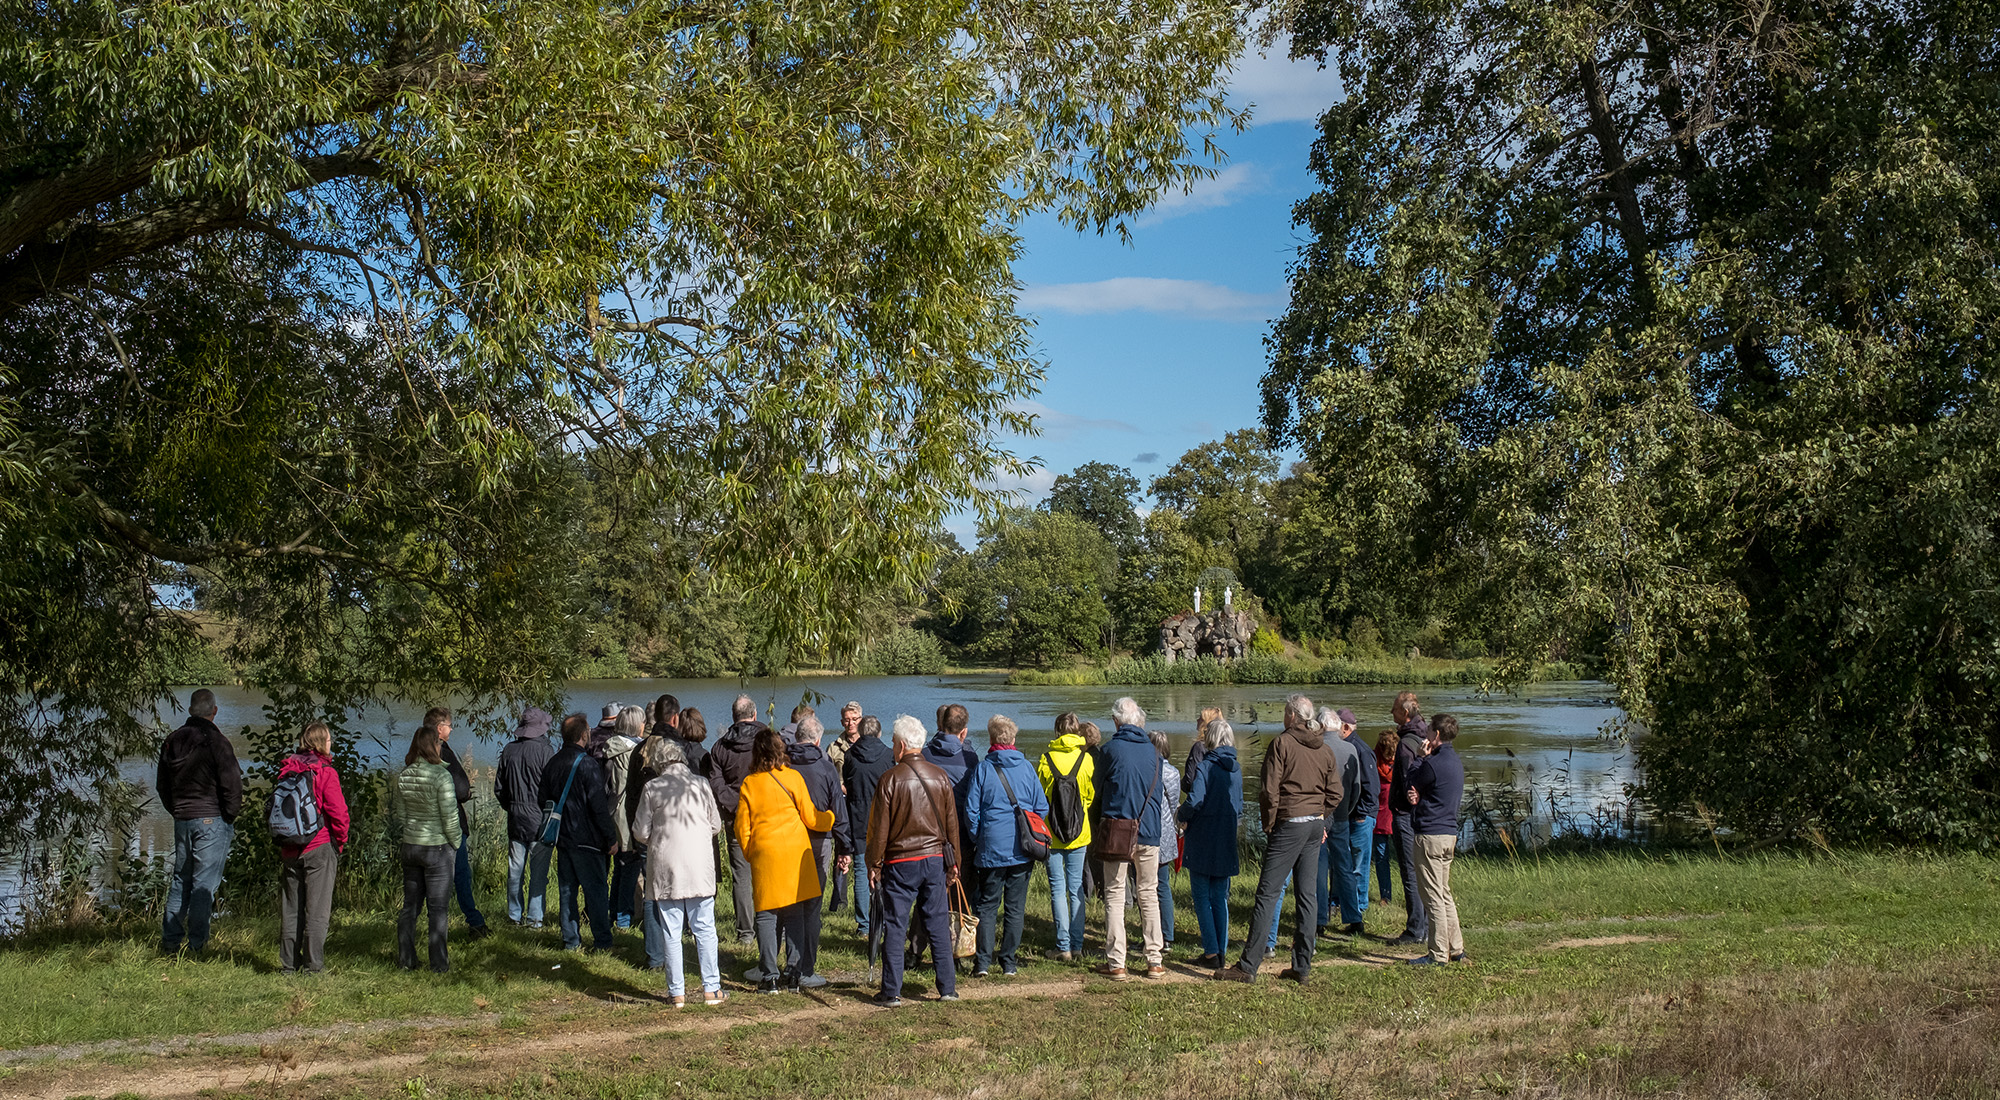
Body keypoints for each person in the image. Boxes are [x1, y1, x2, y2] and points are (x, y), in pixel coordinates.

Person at [1213, 694, 1340, 985]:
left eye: (1286, 712)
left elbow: (1269, 790)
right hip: (1313, 825)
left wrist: (1270, 824)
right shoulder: (1324, 749)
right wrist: (1321, 814)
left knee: (1268, 893)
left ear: (1293, 716)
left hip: (1290, 823)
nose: (1284, 717)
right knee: (1307, 896)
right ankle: (1302, 966)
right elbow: (1336, 793)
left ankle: (1248, 966)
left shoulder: (1282, 743)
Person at [866, 716, 963, 1007]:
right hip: (934, 860)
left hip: (901, 862)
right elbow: (951, 825)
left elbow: (880, 829)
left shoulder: (890, 778)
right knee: (937, 923)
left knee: (895, 926)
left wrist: (874, 863)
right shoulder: (940, 776)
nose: (893, 748)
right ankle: (948, 988)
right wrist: (953, 862)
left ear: (903, 745)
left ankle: (891, 991)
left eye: (895, 743)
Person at [736, 727, 835, 993]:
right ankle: (794, 973)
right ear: (781, 750)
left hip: (766, 853)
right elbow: (812, 817)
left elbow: (742, 828)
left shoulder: (750, 783)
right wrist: (831, 818)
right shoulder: (792, 778)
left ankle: (769, 976)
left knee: (766, 916)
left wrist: (751, 852)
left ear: (756, 753)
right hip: (794, 852)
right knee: (795, 913)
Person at [630, 737, 726, 1007]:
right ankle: (712, 988)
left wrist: (658, 839)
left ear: (660, 764)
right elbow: (716, 825)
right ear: (682, 760)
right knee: (704, 927)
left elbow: (640, 831)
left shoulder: (652, 787)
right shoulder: (701, 784)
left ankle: (677, 992)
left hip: (666, 867)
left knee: (671, 930)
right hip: (699, 866)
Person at [157, 689, 242, 955]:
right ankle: (196, 947)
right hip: (211, 819)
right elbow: (232, 785)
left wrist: (178, 811)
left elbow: (162, 786)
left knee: (181, 881)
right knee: (203, 886)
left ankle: (170, 943)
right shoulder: (216, 741)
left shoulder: (172, 740)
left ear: (191, 709)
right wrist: (228, 815)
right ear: (213, 711)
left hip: (183, 819)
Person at [963, 715, 1048, 978]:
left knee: (987, 906)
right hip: (1023, 848)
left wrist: (980, 837)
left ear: (991, 739)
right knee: (1015, 907)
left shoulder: (983, 769)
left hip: (991, 848)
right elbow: (1041, 807)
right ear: (1013, 739)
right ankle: (1009, 962)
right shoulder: (1026, 768)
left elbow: (971, 811)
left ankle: (983, 963)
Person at [1096, 697, 1167, 981]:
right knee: (1149, 894)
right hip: (1149, 830)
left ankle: (1117, 962)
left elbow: (1098, 789)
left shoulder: (1110, 749)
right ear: (1139, 722)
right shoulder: (1154, 753)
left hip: (1117, 829)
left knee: (1114, 894)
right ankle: (1155, 960)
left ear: (1116, 721)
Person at [540, 714, 619, 952]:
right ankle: (603, 942)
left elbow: (542, 799)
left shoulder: (553, 762)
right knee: (595, 892)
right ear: (584, 735)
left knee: (567, 892)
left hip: (563, 839)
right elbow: (598, 806)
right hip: (588, 841)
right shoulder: (587, 764)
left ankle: (571, 941)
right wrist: (611, 838)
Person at [275, 720, 350, 973]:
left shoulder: (287, 769)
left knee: (291, 909)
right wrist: (339, 843)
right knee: (317, 912)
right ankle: (313, 967)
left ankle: (288, 966)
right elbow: (339, 813)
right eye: (329, 739)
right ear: (322, 743)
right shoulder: (325, 772)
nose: (331, 743)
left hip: (289, 846)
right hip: (319, 846)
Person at [781, 714, 848, 988]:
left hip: (786, 841)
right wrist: (845, 846)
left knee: (791, 905)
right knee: (812, 907)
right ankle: (806, 969)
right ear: (818, 740)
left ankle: (790, 965)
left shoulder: (783, 765)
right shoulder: (825, 766)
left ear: (797, 737)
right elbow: (838, 809)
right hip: (819, 841)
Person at [397, 725, 462, 972]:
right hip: (436, 848)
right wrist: (455, 843)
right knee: (437, 909)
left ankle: (406, 959)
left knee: (410, 906)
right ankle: (439, 963)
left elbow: (403, 815)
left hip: (411, 845)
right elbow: (449, 817)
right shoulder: (441, 776)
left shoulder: (405, 775)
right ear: (434, 746)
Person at [1405, 714, 1467, 965]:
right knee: (1444, 892)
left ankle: (1438, 953)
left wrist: (1419, 758)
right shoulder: (1455, 761)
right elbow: (1429, 791)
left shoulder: (1432, 763)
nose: (1425, 733)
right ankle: (1456, 948)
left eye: (1428, 729)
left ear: (1437, 735)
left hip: (1430, 834)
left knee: (1432, 895)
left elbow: (1412, 779)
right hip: (1449, 833)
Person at [1179, 719, 1241, 969]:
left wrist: (1181, 815)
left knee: (1202, 896)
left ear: (1211, 740)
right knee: (1219, 897)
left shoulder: (1205, 766)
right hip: (1226, 837)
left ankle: (1211, 953)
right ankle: (1222, 952)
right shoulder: (1235, 769)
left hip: (1204, 836)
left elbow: (1194, 800)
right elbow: (1239, 807)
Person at [706, 694, 767, 944]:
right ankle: (770, 926)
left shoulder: (720, 747)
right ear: (754, 715)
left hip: (735, 817)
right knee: (768, 871)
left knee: (741, 875)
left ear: (734, 717)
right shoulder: (768, 741)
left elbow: (716, 783)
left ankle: (745, 933)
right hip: (767, 815)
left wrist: (732, 804)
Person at [1036, 711, 1096, 963]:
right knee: (1076, 889)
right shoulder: (1086, 759)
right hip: (1079, 833)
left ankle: (1063, 946)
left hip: (1052, 833)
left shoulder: (1045, 759)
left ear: (1057, 731)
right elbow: (1089, 795)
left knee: (1057, 889)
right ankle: (1078, 944)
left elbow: (1040, 797)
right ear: (1078, 731)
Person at [428, 707, 492, 941]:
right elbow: (461, 788)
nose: (452, 729)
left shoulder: (416, 753)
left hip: (425, 830)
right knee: (461, 874)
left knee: (429, 879)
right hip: (451, 824)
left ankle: (420, 926)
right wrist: (463, 794)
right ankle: (474, 923)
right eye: (449, 725)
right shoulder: (441, 751)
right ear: (439, 728)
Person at [495, 707, 555, 928]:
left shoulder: (509, 750)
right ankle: (535, 918)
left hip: (516, 818)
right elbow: (553, 788)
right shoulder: (546, 752)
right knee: (538, 873)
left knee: (515, 870)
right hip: (540, 820)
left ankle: (514, 915)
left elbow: (499, 788)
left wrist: (511, 807)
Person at [842, 715, 892, 937]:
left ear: (861, 732)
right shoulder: (890, 755)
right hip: (885, 820)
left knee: (862, 871)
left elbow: (849, 785)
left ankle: (864, 925)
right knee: (886, 870)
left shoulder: (850, 755)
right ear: (879, 733)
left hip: (859, 818)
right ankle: (884, 921)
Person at [1387, 691, 1431, 946]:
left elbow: (1406, 782)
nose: (1390, 713)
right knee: (1422, 870)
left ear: (1405, 713)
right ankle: (1424, 925)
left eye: (1394, 709)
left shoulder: (1405, 745)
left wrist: (1404, 801)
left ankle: (1415, 928)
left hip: (1405, 814)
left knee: (1409, 871)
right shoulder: (1426, 734)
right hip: (1424, 815)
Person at [1314, 707, 1360, 939]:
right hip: (1342, 815)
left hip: (1319, 816)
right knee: (1345, 866)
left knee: (1320, 867)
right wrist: (1346, 810)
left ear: (1321, 726)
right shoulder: (1350, 748)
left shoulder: (1316, 749)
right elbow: (1357, 788)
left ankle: (1320, 918)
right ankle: (1354, 916)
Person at [1334, 707, 1379, 935]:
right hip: (1352, 814)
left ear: (1346, 727)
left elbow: (1371, 787)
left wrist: (1361, 813)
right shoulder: (1346, 747)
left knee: (1359, 866)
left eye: (1336, 726)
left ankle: (1359, 909)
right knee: (1347, 864)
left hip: (1360, 816)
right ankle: (1343, 905)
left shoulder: (1360, 750)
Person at [604, 705, 647, 930]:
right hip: (628, 815)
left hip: (612, 815)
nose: (644, 725)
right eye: (642, 722)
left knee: (620, 867)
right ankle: (624, 918)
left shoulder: (608, 748)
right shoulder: (637, 751)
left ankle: (613, 913)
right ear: (635, 726)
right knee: (630, 867)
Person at [823, 701, 863, 914]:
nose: (850, 723)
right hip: (842, 804)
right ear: (842, 721)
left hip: (862, 805)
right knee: (841, 851)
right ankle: (838, 901)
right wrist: (840, 787)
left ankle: (864, 897)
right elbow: (829, 776)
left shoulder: (867, 743)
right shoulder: (833, 746)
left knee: (863, 853)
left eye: (854, 719)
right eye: (847, 720)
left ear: (861, 720)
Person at [1149, 730, 1182, 949]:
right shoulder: (1173, 773)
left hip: (1149, 833)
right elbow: (1173, 806)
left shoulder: (1147, 770)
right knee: (1162, 885)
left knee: (1148, 886)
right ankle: (1167, 936)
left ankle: (1154, 935)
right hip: (1167, 833)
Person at [1373, 730, 1399, 903]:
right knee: (1383, 858)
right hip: (1388, 817)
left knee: (1383, 859)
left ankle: (1387, 896)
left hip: (1388, 818)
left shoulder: (1374, 763)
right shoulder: (1402, 764)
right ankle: (1387, 896)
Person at [1182, 705, 1222, 795]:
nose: (1197, 720)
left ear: (1206, 723)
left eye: (1200, 718)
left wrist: (1181, 784)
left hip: (1199, 801)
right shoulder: (1224, 747)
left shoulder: (1199, 747)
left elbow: (1190, 779)